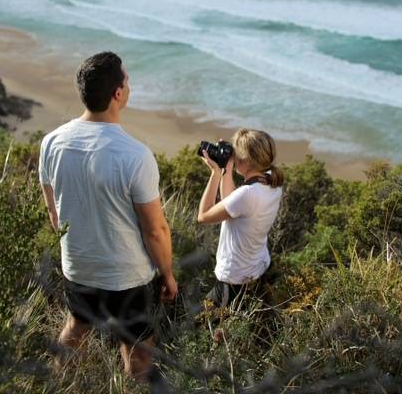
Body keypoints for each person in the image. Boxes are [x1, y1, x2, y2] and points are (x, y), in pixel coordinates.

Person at [38, 51, 177, 381]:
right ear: (118, 93)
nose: (128, 85)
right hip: (125, 275)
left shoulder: (51, 142)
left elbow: (52, 210)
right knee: (137, 344)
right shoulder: (135, 155)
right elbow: (155, 230)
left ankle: (57, 385)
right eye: (126, 80)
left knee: (76, 326)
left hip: (78, 263)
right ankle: (133, 387)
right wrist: (168, 274)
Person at [198, 128, 283, 307]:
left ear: (245, 160)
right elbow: (232, 202)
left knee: (202, 328)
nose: (233, 157)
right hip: (256, 267)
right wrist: (226, 170)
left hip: (234, 279)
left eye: (235, 154)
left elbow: (203, 215)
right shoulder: (271, 182)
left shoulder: (247, 194)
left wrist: (215, 174)